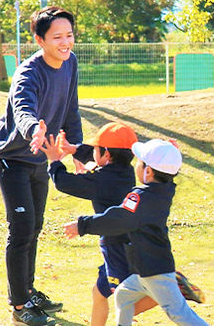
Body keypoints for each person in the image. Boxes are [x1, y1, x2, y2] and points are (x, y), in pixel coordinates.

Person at [41, 125, 204, 326]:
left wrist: (81, 225)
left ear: (149, 170)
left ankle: (172, 289)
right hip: (139, 256)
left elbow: (117, 217)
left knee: (176, 312)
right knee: (119, 296)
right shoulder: (157, 186)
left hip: (135, 258)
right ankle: (168, 289)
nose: (137, 163)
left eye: (141, 161)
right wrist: (75, 150)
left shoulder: (134, 195)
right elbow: (102, 159)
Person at [0, 6, 82, 326]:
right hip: (11, 157)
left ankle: (26, 290)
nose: (65, 42)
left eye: (69, 35)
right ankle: (18, 305)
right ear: (40, 40)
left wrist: (77, 149)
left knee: (35, 225)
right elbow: (24, 108)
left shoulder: (70, 64)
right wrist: (35, 131)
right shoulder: (28, 73)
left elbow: (71, 108)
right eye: (57, 37)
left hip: (40, 156)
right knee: (22, 228)